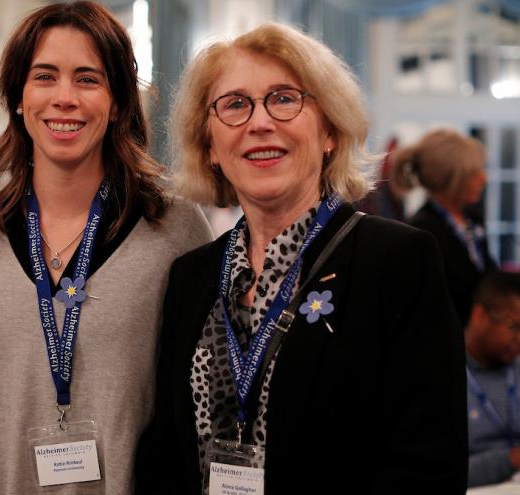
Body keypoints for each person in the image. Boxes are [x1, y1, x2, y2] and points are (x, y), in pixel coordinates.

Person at [137, 23, 468, 494]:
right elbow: (166, 452)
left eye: (284, 98)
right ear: (210, 145)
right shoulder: (192, 276)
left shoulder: (398, 262)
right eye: (235, 104)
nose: (259, 123)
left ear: (329, 129)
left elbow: (430, 466)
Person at [0, 2, 213, 492]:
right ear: (17, 96)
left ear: (116, 103)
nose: (64, 98)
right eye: (45, 76)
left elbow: (199, 392)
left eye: (88, 79)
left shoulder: (174, 226)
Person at [391, 129, 496, 328]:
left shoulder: (473, 219)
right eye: (474, 173)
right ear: (451, 179)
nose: (484, 179)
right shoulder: (422, 230)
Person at [465, 270, 520, 487]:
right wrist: (510, 460)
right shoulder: (438, 376)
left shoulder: (515, 367)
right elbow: (437, 473)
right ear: (480, 316)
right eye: (514, 327)